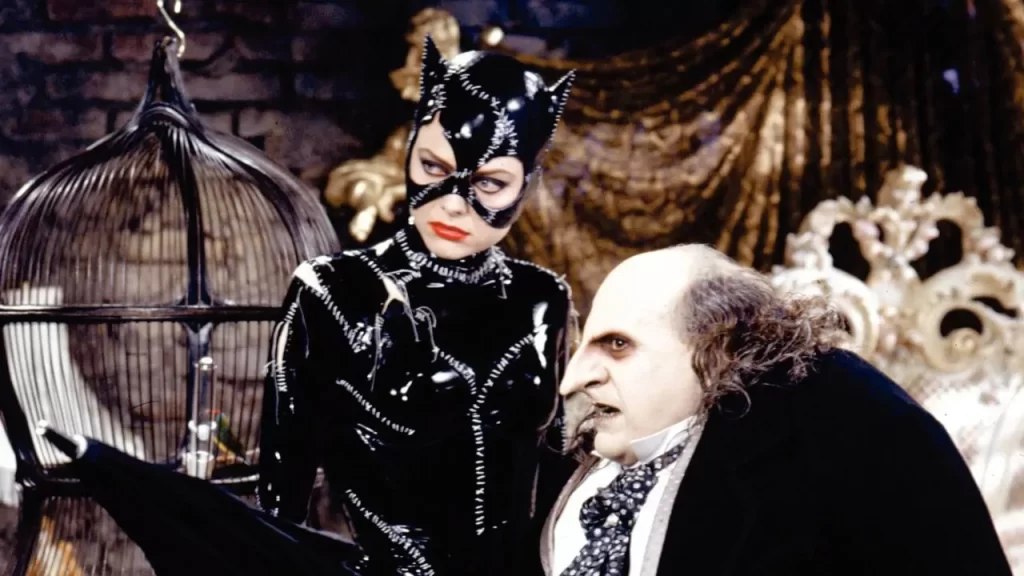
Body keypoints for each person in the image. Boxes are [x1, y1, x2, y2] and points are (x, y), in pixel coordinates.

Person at [258, 37, 577, 576]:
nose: (452, 203)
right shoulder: (331, 291)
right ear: (408, 148)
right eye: (433, 166)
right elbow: (280, 500)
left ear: (529, 181)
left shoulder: (543, 298)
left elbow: (561, 472)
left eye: (490, 183)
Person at [541, 244, 1012, 576]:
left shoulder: (857, 432)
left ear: (717, 347)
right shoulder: (575, 450)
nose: (573, 380)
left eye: (617, 345)